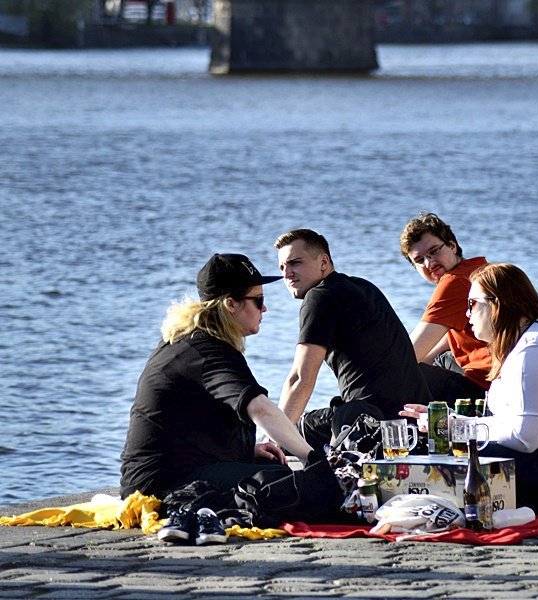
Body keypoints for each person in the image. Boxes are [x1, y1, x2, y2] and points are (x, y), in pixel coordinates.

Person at [402, 263, 538, 513]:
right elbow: (512, 426)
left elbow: (524, 437)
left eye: (472, 304)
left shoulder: (535, 349)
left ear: (497, 304)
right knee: (444, 451)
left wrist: (457, 428)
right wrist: (453, 422)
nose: (466, 314)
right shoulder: (523, 344)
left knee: (459, 457)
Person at [120, 253, 318, 501]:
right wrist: (312, 458)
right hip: (160, 487)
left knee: (275, 472)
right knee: (294, 486)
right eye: (258, 300)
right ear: (231, 304)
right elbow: (260, 409)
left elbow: (193, 430)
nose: (264, 308)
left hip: (166, 474)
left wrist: (247, 450)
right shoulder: (208, 350)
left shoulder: (190, 341)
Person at [274, 228, 431, 452]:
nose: (287, 273)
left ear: (324, 261)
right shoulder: (364, 287)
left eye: (295, 263)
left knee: (301, 428)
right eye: (282, 267)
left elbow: (300, 378)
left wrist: (274, 440)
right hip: (415, 424)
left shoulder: (319, 297)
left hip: (372, 425)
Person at [399, 213, 491, 403]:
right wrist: (427, 358)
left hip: (486, 388)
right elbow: (446, 339)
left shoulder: (454, 283)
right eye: (419, 260)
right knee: (439, 358)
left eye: (434, 251)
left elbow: (407, 355)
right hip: (499, 377)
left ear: (452, 245)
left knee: (406, 375)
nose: (429, 263)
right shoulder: (479, 269)